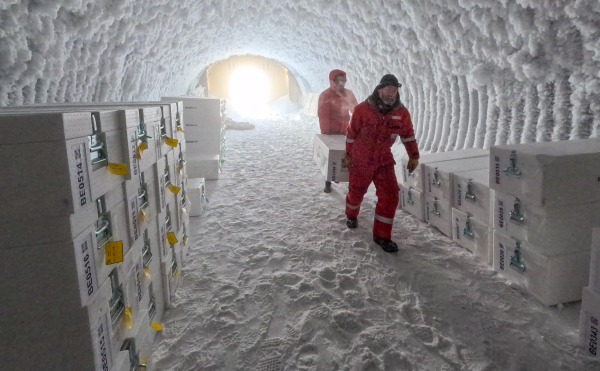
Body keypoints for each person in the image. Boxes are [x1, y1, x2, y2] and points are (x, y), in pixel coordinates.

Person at [343, 74, 419, 253]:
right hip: (361, 159)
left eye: (394, 90)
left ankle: (382, 236)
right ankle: (351, 214)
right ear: (379, 90)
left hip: (383, 160)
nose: (391, 93)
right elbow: (351, 133)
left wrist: (413, 155)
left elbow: (408, 134)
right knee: (356, 191)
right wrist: (348, 155)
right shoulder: (362, 109)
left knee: (391, 195)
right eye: (388, 89)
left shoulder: (401, 113)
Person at [317, 69, 358, 193]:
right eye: (338, 80)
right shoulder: (325, 95)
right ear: (332, 81)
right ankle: (328, 182)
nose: (341, 83)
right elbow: (323, 115)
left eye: (343, 80)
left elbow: (356, 110)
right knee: (331, 156)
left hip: (344, 130)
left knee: (346, 155)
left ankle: (342, 177)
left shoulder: (348, 94)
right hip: (330, 132)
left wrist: (356, 126)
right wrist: (327, 132)